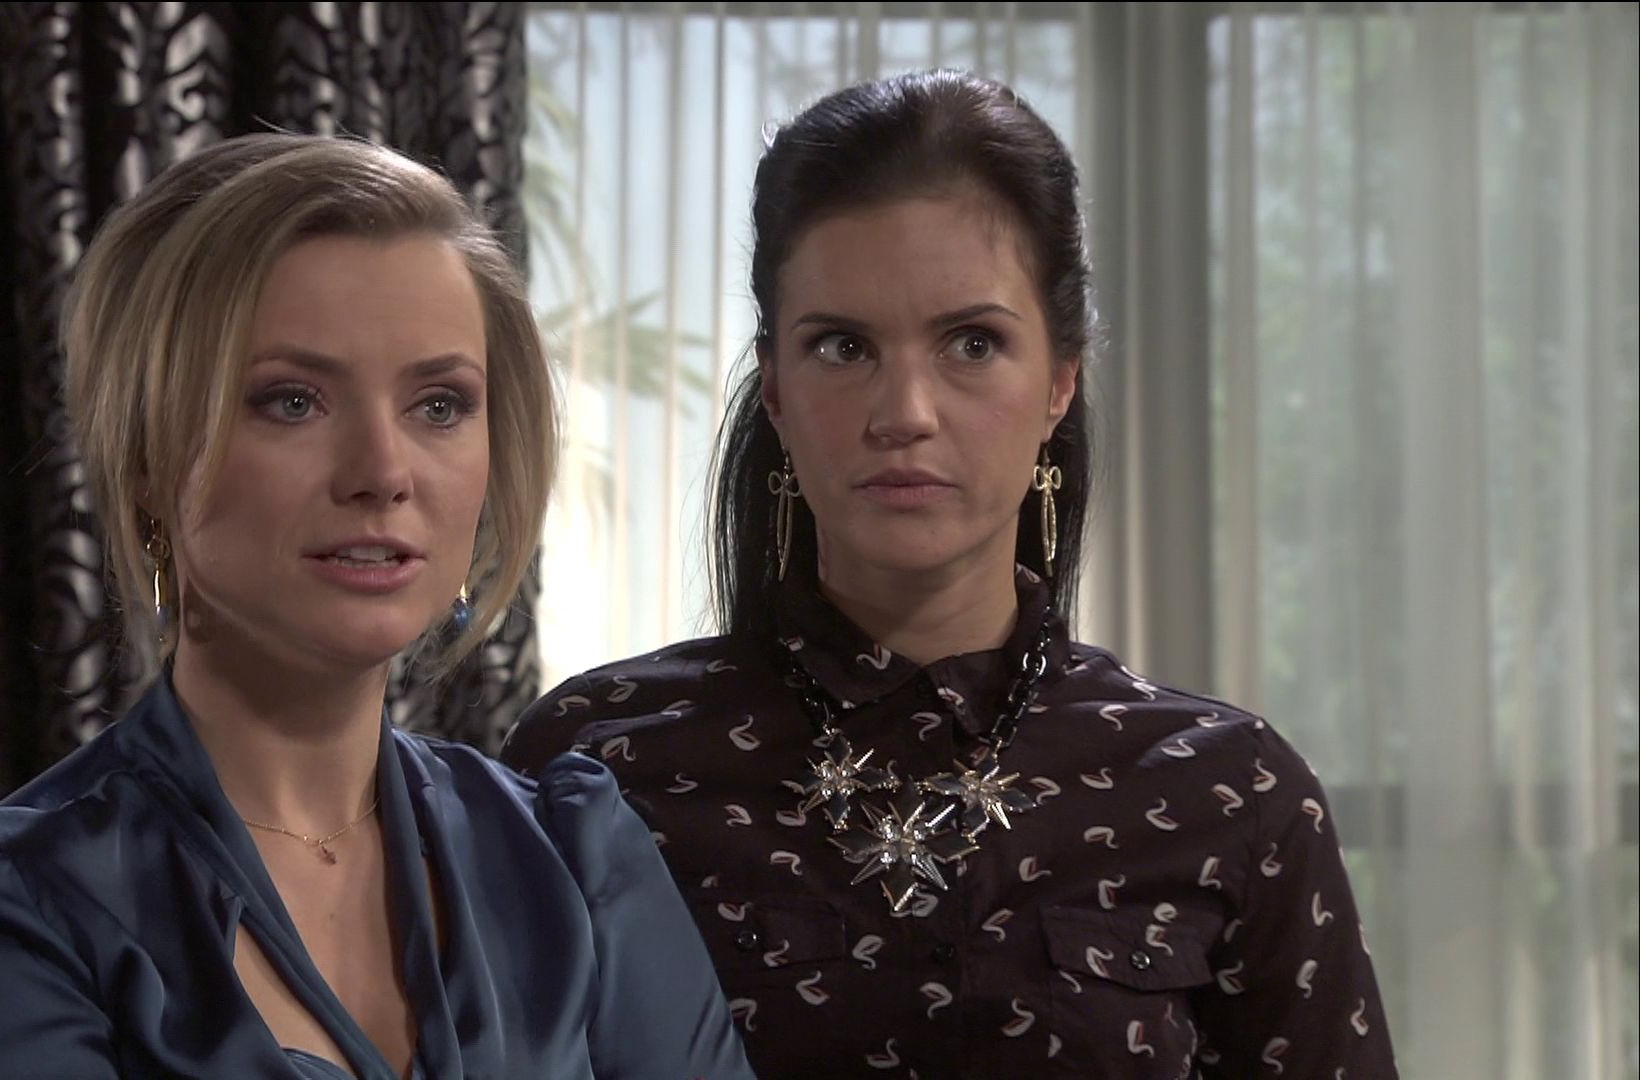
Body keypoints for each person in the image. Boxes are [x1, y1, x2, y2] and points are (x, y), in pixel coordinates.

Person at [504, 72, 1397, 1078]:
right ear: (777, 389)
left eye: (972, 343)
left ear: (1059, 380)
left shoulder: (1227, 792)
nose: (906, 413)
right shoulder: (600, 764)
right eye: (843, 346)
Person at [0, 133, 753, 1080]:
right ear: (149, 459)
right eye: (292, 402)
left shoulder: (574, 856)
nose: (383, 472)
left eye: (439, 405)